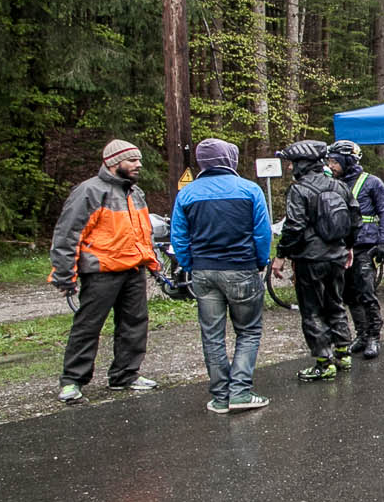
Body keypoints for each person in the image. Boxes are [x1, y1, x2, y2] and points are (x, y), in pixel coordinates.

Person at [47, 139, 161, 404]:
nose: (138, 165)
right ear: (113, 162)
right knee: (88, 326)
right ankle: (72, 381)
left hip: (133, 268)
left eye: (139, 160)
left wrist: (153, 262)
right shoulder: (89, 191)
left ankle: (125, 375)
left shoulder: (136, 192)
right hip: (101, 271)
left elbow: (143, 232)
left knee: (134, 324)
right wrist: (64, 274)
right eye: (132, 160)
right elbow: (67, 234)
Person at [171, 138, 271, 413]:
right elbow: (262, 232)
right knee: (248, 331)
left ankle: (220, 396)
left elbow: (179, 236)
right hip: (241, 268)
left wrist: (189, 264)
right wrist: (260, 261)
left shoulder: (187, 194)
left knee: (212, 335)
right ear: (230, 159)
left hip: (203, 271)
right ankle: (240, 392)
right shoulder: (249, 189)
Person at [276, 139, 356, 382]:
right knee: (336, 303)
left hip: (310, 259)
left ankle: (324, 362)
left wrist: (281, 254)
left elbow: (294, 226)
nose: (290, 167)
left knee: (312, 310)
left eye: (293, 163)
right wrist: (348, 247)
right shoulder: (340, 186)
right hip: (336, 257)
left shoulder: (299, 190)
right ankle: (343, 353)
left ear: (304, 164)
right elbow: (355, 219)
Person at [327, 140, 384, 359]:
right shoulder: (333, 184)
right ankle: (362, 334)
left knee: (366, 292)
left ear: (348, 161)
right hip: (342, 246)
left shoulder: (372, 183)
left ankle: (373, 336)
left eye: (335, 161)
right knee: (349, 294)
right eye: (329, 161)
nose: (331, 166)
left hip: (366, 245)